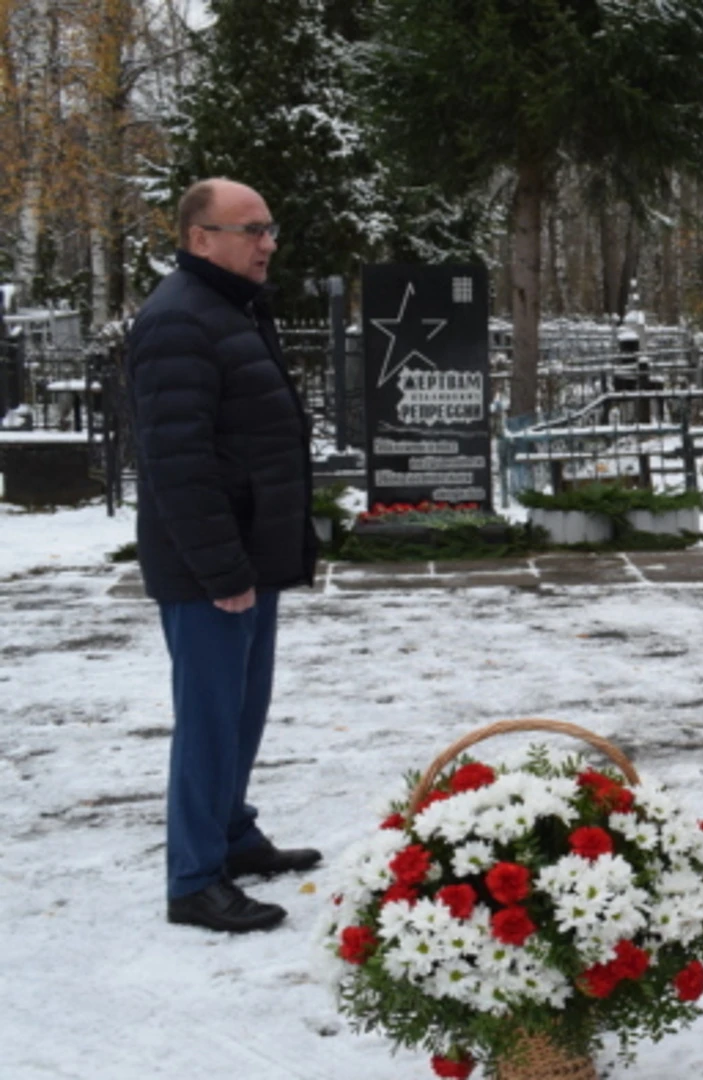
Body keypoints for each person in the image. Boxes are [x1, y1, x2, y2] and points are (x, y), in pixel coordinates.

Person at [127, 178, 322, 933]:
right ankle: (194, 879)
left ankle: (232, 835)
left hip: (249, 557)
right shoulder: (179, 320)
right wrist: (221, 569)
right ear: (199, 238)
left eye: (270, 228)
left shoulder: (226, 309)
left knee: (242, 712)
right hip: (213, 567)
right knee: (210, 720)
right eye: (250, 229)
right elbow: (177, 463)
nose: (267, 242)